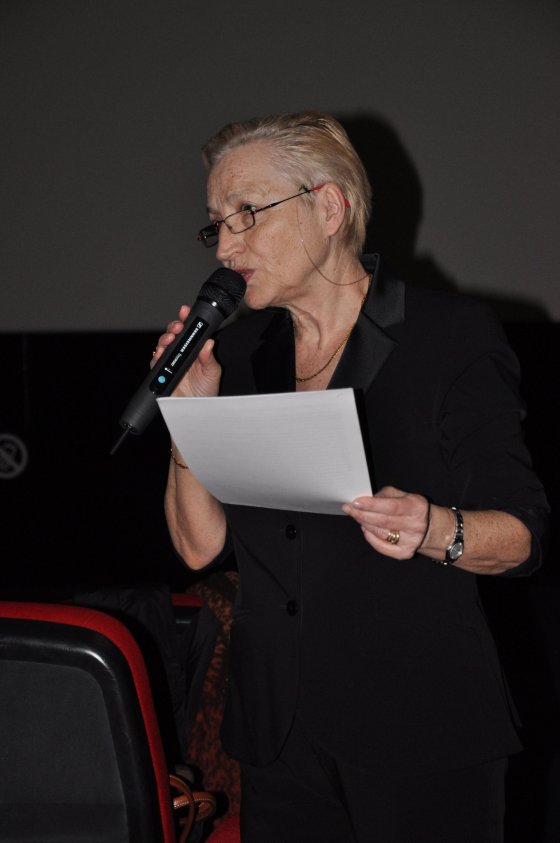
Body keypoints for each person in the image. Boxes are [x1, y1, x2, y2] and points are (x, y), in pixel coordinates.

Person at [153, 111, 549, 842]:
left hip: (420, 726)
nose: (228, 246)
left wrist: (432, 527)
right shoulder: (240, 355)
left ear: (329, 207)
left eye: (248, 212)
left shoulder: (446, 335)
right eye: (217, 224)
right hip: (279, 733)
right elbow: (199, 546)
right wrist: (187, 418)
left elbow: (522, 536)